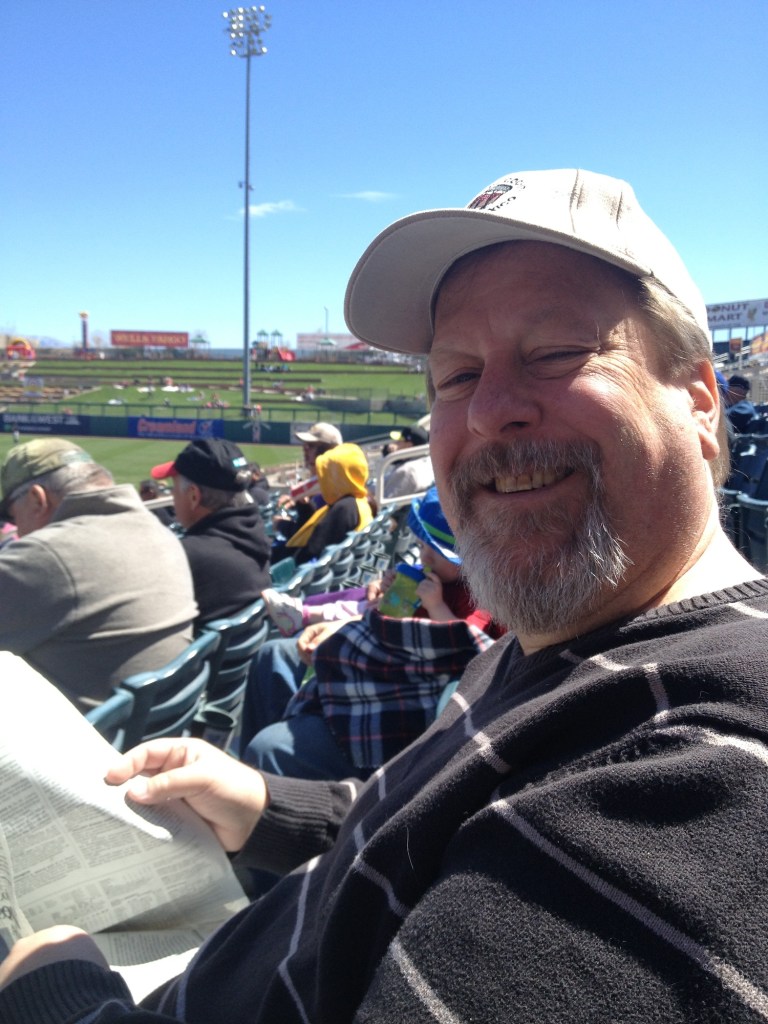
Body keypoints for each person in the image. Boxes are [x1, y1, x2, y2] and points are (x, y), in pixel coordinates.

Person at [3, 168, 768, 1024]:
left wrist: (57, 995)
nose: (490, 411)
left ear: (700, 399)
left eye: (556, 352)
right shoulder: (570, 637)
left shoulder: (697, 773)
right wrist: (271, 809)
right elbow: (453, 828)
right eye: (456, 375)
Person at [242, 486, 503, 780]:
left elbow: (467, 644)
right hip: (386, 657)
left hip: (408, 691)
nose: (425, 558)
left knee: (266, 745)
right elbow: (390, 619)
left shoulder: (478, 592)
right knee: (272, 654)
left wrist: (435, 605)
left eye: (438, 550)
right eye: (421, 546)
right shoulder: (434, 577)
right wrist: (392, 595)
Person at [0, 437, 196, 711]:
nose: (17, 530)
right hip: (157, 723)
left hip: (92, 733)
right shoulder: (160, 531)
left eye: (13, 516)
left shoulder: (46, 554)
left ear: (37, 499)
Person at [151, 438, 271, 624]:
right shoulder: (255, 533)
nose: (172, 495)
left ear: (194, 496)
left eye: (174, 488)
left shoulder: (186, 556)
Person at [273, 442, 374, 565]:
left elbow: (311, 550)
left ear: (339, 477)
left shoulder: (344, 508)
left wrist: (282, 525)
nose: (321, 479)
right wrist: (304, 506)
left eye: (326, 474)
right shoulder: (359, 501)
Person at [381, 421, 434, 499]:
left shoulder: (406, 471)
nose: (393, 443)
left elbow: (386, 503)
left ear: (409, 446)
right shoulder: (429, 461)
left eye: (399, 441)